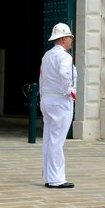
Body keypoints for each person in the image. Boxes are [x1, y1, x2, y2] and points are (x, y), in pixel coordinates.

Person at [40, 22, 77, 189]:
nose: (71, 40)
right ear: (63, 39)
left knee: (48, 140)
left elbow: (42, 78)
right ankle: (57, 179)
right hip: (60, 101)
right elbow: (64, 74)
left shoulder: (47, 55)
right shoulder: (65, 57)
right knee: (57, 141)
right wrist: (68, 91)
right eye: (69, 37)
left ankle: (49, 176)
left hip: (47, 100)